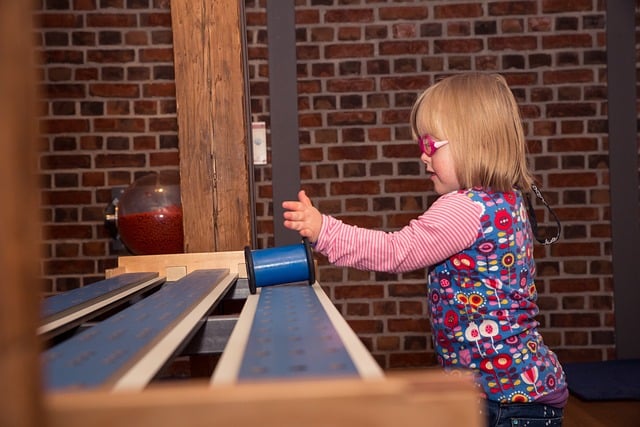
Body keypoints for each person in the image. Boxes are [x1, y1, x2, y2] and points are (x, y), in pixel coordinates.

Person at [282, 72, 568, 426]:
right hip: (519, 391)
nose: (423, 156)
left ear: (472, 142)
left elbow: (397, 250)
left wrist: (326, 231)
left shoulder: (464, 207)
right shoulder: (506, 200)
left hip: (505, 401)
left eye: (431, 144)